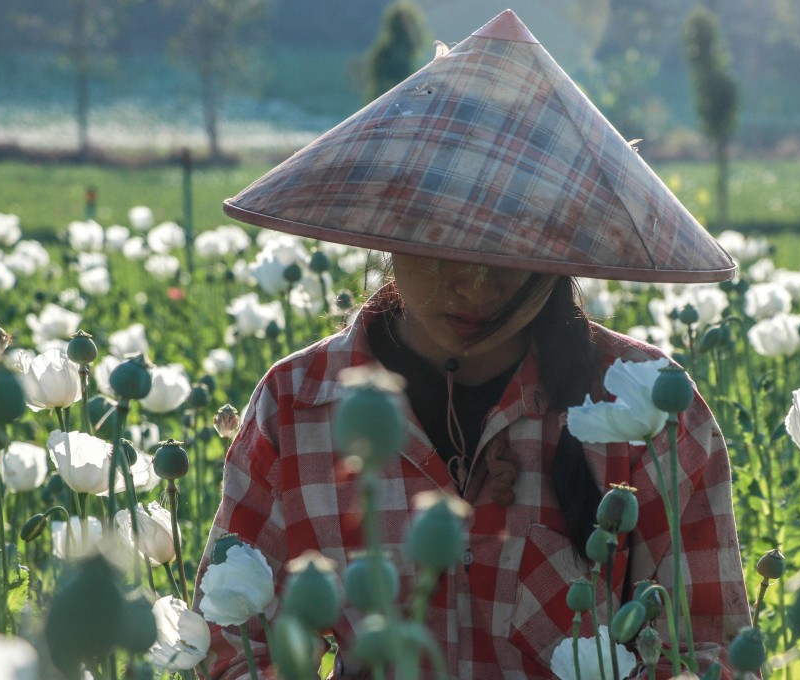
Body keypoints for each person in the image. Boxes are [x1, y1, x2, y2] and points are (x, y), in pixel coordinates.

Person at [195, 9, 749, 679]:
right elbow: (234, 649)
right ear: (387, 231)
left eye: (512, 251)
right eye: (442, 245)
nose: (475, 282)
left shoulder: (653, 413)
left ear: (562, 251)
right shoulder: (297, 407)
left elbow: (708, 655)